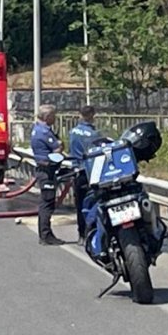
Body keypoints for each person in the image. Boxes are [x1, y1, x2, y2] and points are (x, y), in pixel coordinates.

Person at [30, 104, 64, 245]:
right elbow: (57, 148)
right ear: (47, 117)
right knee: (47, 204)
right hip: (46, 170)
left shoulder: (36, 129)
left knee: (47, 203)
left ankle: (46, 234)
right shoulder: (44, 132)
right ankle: (45, 235)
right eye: (53, 116)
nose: (55, 119)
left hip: (44, 169)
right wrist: (60, 146)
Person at [68, 105, 99, 244]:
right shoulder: (94, 134)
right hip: (92, 172)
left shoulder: (72, 132)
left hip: (77, 171)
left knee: (80, 204)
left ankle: (82, 234)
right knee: (96, 201)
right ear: (92, 115)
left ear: (79, 115)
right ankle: (93, 231)